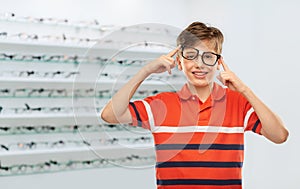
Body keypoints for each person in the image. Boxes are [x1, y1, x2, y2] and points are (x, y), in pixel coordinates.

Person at [101, 22, 289, 189]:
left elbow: (279, 135)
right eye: (191, 56)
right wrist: (146, 70)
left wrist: (244, 90)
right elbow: (110, 115)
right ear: (180, 63)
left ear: (218, 63)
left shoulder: (237, 103)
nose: (199, 64)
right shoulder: (161, 105)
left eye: (208, 57)